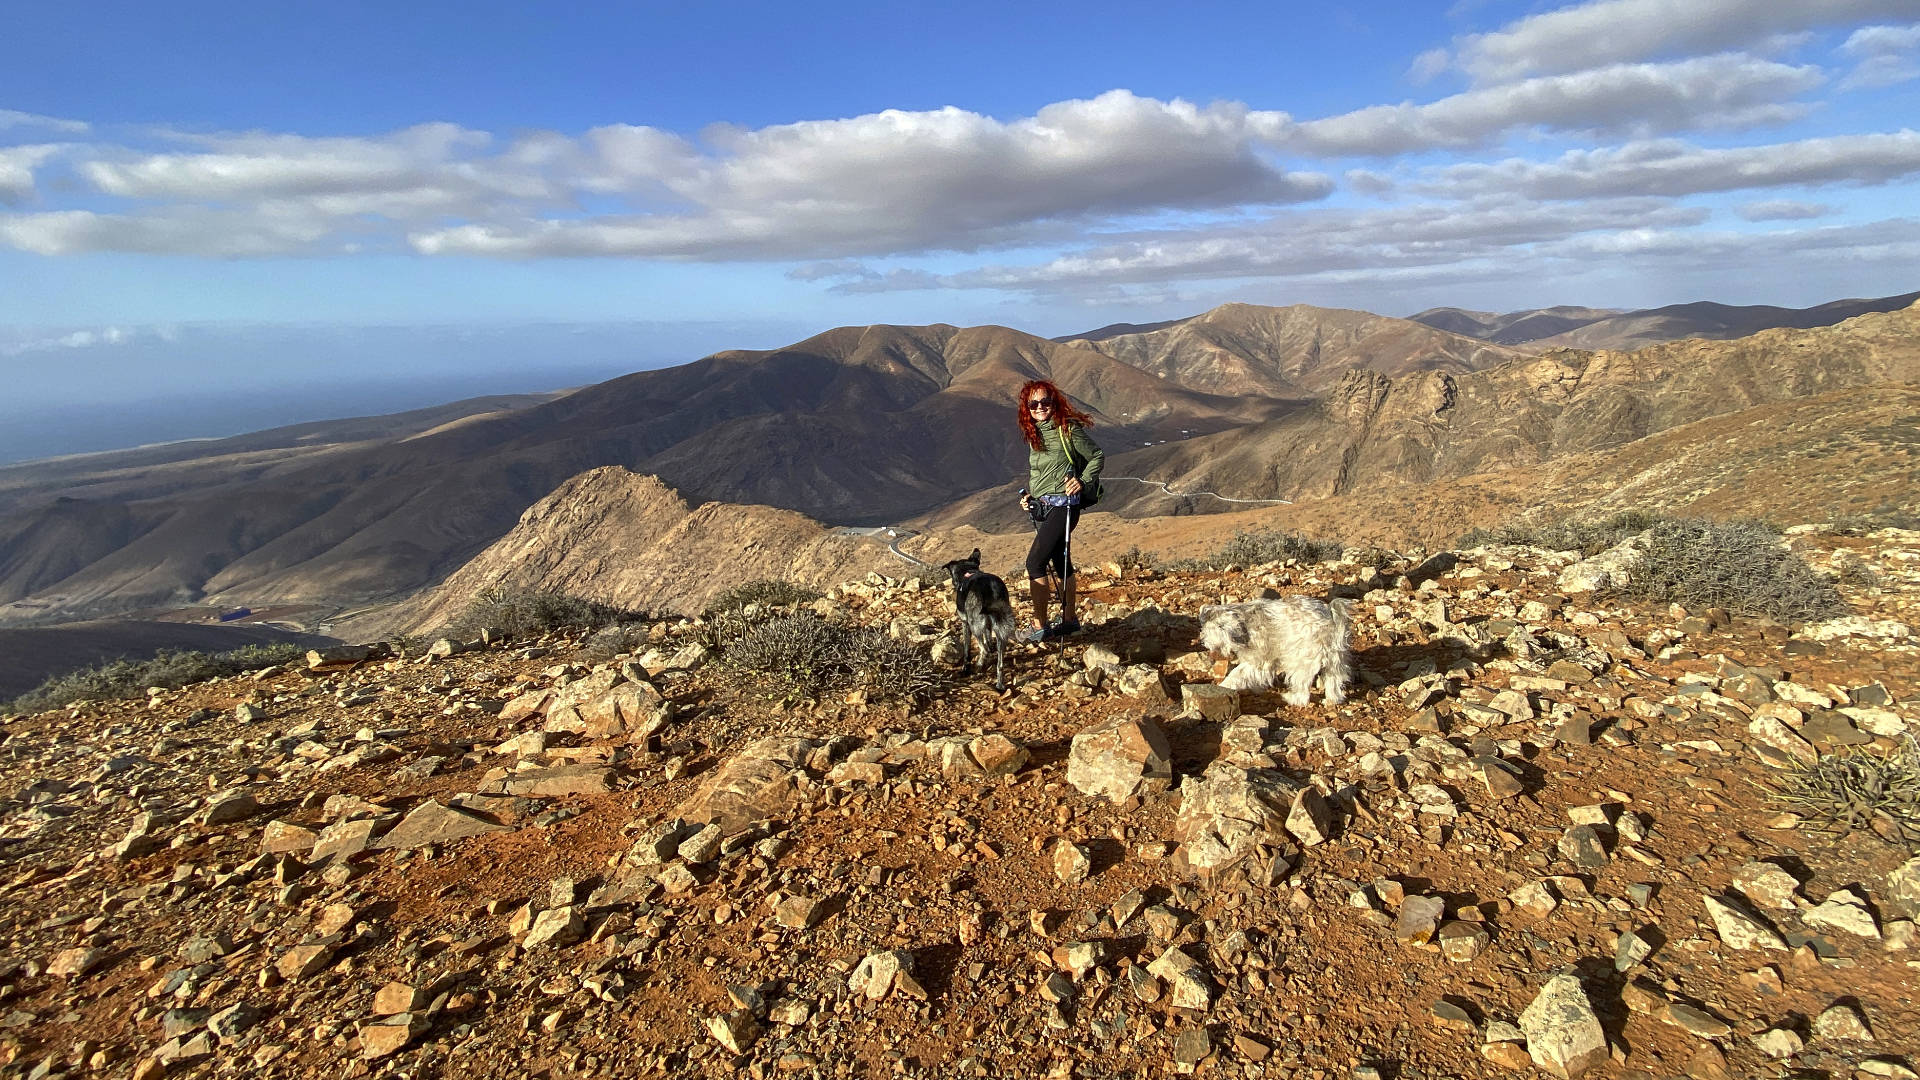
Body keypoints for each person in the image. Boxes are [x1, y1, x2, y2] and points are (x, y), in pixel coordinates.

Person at [1015, 379, 1103, 642]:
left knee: (1034, 562)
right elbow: (1042, 472)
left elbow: (1097, 455)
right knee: (1060, 562)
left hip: (1065, 506)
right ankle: (1069, 621)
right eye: (1034, 403)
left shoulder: (1067, 429)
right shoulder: (1035, 433)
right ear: (1027, 408)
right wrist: (1030, 498)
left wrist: (1083, 481)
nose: (1040, 407)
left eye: (1045, 402)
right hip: (1045, 507)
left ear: (1055, 402)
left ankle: (1039, 625)